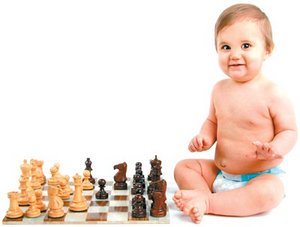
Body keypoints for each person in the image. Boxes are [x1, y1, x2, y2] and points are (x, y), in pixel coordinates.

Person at [173, 3, 297, 224]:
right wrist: (205, 138)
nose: (235, 55)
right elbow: (212, 121)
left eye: (246, 45)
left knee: (269, 192)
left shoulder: (273, 93)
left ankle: (208, 202)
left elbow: (288, 130)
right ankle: (207, 196)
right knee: (184, 167)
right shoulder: (219, 89)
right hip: (221, 173)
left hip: (258, 177)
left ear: (267, 49)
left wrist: (275, 149)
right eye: (226, 47)